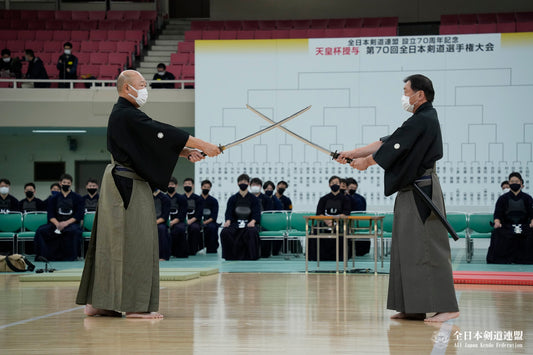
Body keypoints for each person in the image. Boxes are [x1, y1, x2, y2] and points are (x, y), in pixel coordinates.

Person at [76, 69, 220, 319]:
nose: (145, 89)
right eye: (142, 84)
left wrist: (186, 152)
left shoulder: (128, 115)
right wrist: (202, 144)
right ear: (126, 88)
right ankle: (134, 306)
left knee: (112, 244)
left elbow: (151, 144)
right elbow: (159, 132)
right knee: (137, 243)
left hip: (122, 183)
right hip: (125, 185)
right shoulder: (125, 114)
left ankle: (100, 302)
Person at [337, 74, 459, 323]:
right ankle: (413, 306)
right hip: (409, 191)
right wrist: (350, 153)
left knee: (429, 248)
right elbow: (386, 142)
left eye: (406, 91)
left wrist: (366, 163)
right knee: (407, 249)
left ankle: (447, 306)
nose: (404, 96)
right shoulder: (415, 121)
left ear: (420, 94)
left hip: (422, 191)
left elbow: (393, 149)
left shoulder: (425, 119)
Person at [34, 174, 84, 261]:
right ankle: (44, 256)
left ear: (71, 184)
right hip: (55, 223)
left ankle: (70, 257)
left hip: (71, 224)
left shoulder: (78, 198)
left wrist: (65, 223)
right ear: (60, 183)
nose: (66, 184)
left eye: (68, 183)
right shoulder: (53, 198)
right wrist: (58, 224)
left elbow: (79, 215)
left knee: (74, 231)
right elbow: (50, 214)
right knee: (41, 231)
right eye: (64, 182)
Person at [487, 172, 533, 264]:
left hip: (523, 226)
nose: (514, 183)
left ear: (521, 183)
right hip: (507, 226)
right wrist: (497, 222)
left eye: (516, 181)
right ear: (509, 183)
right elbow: (497, 214)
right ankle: (502, 259)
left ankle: (526, 259)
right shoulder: (502, 198)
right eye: (512, 181)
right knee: (497, 233)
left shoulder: (528, 198)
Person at [308, 175, 352, 261]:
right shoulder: (323, 199)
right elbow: (319, 213)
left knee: (342, 232)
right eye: (332, 183)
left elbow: (346, 213)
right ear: (329, 185)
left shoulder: (345, 199)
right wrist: (327, 220)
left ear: (340, 185)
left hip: (339, 223)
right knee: (314, 231)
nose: (334, 185)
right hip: (325, 223)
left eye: (336, 183)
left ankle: (340, 257)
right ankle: (316, 257)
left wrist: (335, 220)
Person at [220, 174, 261, 260]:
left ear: (248, 183)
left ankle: (250, 256)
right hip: (235, 223)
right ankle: (230, 256)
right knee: (225, 232)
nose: (243, 183)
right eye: (241, 182)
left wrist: (253, 221)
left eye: (245, 182)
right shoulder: (232, 198)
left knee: (252, 232)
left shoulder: (254, 198)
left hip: (249, 223)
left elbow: (256, 213)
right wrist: (228, 221)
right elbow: (229, 213)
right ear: (238, 184)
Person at [346, 177, 370, 256]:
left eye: (354, 188)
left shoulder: (360, 198)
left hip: (357, 223)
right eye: (351, 188)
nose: (353, 189)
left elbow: (361, 212)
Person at [167, 177, 189, 258]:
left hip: (178, 221)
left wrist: (173, 222)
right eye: (168, 185)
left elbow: (182, 213)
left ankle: (179, 253)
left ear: (176, 186)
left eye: (172, 185)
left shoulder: (181, 198)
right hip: (165, 221)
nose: (170, 186)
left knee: (179, 229)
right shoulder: (164, 198)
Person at [182, 178, 204, 255]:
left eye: (189, 184)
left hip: (194, 221)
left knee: (194, 228)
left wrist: (190, 221)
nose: (187, 185)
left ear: (193, 185)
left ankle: (193, 250)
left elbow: (199, 213)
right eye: (185, 184)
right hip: (182, 220)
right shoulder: (181, 198)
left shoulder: (198, 199)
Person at [200, 179, 220, 254]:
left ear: (210, 188)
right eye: (204, 187)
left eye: (208, 187)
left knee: (212, 227)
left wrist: (206, 222)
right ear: (201, 187)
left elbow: (214, 215)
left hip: (210, 221)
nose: (206, 188)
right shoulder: (197, 199)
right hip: (199, 221)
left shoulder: (214, 201)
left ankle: (211, 249)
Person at [153, 189, 171, 261]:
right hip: (148, 222)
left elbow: (164, 217)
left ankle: (163, 256)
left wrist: (154, 223)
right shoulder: (147, 197)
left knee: (161, 229)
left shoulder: (165, 198)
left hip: (160, 223)